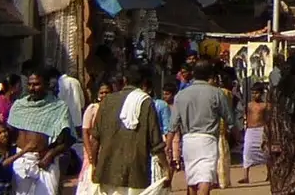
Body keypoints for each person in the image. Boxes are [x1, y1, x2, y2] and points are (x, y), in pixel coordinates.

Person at [91, 65, 166, 195]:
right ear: (144, 83)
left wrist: (94, 165)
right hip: (136, 172)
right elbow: (156, 143)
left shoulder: (107, 101)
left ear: (124, 80)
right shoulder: (146, 102)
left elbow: (95, 139)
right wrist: (166, 167)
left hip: (107, 171)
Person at [5, 72, 73, 195]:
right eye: (30, 84)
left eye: (36, 84)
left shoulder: (58, 107)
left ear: (46, 85)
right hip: (22, 161)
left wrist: (51, 154)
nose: (32, 88)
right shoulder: (19, 106)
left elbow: (68, 140)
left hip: (45, 162)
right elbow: (9, 135)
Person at [170, 60, 230, 195]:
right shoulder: (217, 93)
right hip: (208, 140)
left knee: (192, 179)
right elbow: (229, 117)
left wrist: (168, 145)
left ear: (193, 74)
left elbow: (173, 124)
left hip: (188, 141)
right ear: (210, 74)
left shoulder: (181, 95)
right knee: (205, 178)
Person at [264, 54, 295, 195]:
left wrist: (266, 136)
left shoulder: (273, 91)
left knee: (278, 180)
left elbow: (267, 114)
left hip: (276, 141)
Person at [77, 79, 114, 195]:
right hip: (92, 150)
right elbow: (85, 132)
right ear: (97, 94)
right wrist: (90, 155)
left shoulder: (115, 110)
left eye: (107, 92)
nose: (104, 95)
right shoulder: (92, 109)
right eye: (101, 92)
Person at [241, 84, 269, 185]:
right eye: (253, 93)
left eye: (256, 93)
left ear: (261, 94)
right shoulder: (249, 105)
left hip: (261, 130)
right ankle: (245, 176)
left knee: (266, 152)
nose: (254, 95)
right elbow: (246, 116)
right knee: (247, 152)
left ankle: (269, 174)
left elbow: (267, 118)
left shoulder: (265, 105)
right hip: (250, 131)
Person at [48, 68, 84, 139]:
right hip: (76, 117)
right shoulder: (75, 81)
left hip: (63, 119)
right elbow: (82, 100)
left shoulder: (59, 83)